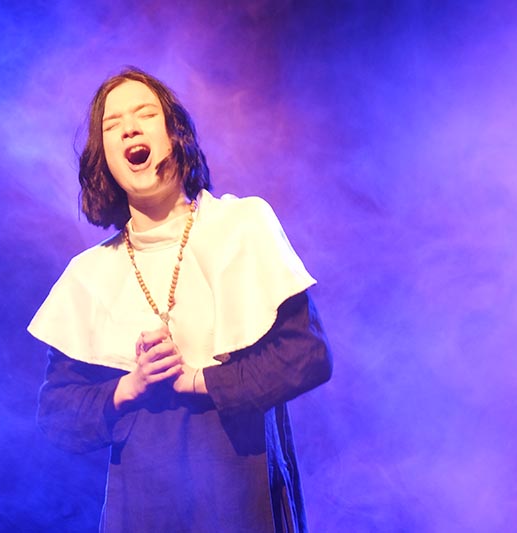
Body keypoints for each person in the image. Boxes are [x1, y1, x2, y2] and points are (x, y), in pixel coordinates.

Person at [28, 67, 332, 533]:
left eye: (145, 114)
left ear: (175, 134)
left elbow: (307, 356)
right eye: (112, 125)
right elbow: (58, 416)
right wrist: (129, 387)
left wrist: (197, 380)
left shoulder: (241, 226)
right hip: (143, 505)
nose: (130, 128)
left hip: (241, 487)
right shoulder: (89, 275)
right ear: (104, 158)